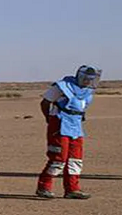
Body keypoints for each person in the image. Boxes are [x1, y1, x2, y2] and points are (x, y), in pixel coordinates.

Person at [36, 65, 102, 200]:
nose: (88, 81)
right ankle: (44, 186)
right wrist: (50, 119)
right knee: (58, 158)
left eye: (91, 79)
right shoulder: (62, 86)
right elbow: (45, 102)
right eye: (86, 78)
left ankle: (72, 189)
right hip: (60, 124)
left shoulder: (87, 92)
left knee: (75, 158)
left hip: (76, 126)